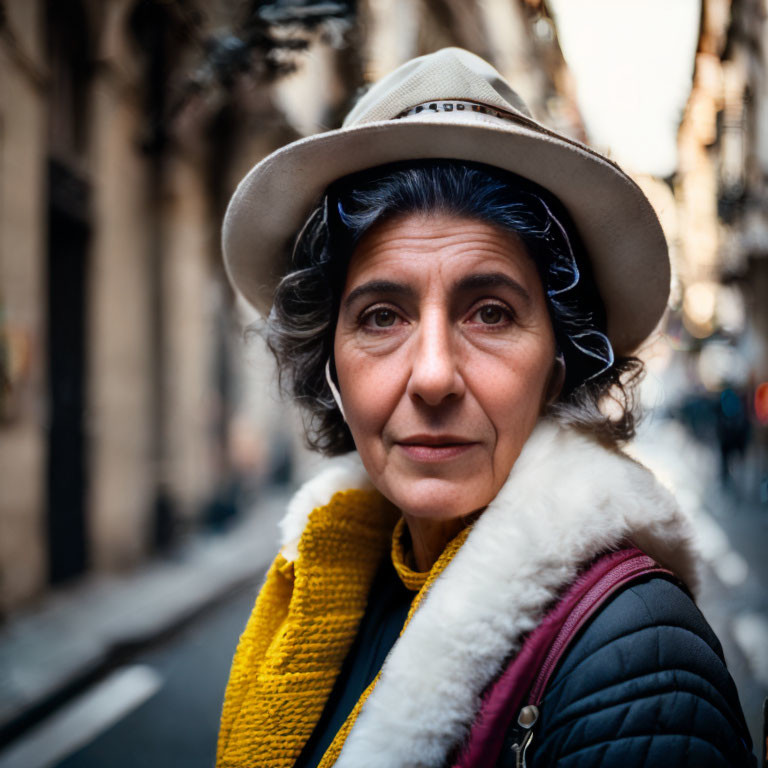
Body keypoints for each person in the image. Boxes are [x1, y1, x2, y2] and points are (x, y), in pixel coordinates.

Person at [216, 48, 756, 767]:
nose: (433, 376)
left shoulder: (640, 659)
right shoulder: (323, 601)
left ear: (560, 363)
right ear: (329, 361)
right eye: (381, 317)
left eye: (491, 314)